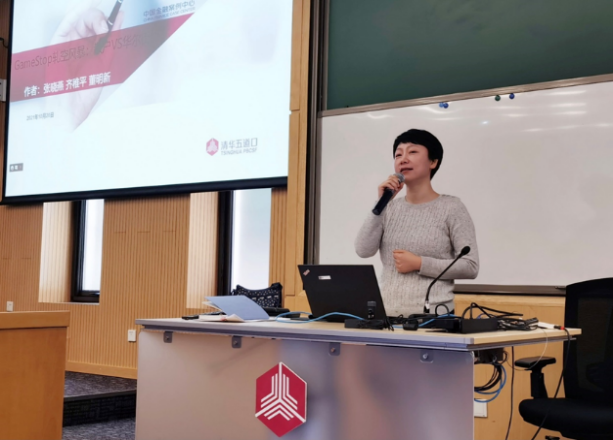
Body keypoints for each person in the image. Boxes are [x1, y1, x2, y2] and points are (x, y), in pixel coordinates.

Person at [355, 128, 479, 317]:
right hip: (386, 316)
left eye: (412, 152)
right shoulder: (389, 208)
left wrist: (419, 263)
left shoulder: (452, 207)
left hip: (433, 318)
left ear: (433, 162)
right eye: (398, 154)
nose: (403, 159)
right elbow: (363, 250)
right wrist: (380, 204)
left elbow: (470, 266)